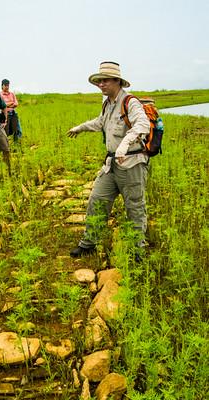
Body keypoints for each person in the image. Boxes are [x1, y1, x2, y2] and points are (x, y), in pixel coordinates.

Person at [67, 61, 150, 260]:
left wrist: (124, 144)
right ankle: (88, 243)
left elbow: (143, 125)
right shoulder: (108, 103)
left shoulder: (130, 102)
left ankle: (138, 249)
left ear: (117, 81)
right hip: (111, 164)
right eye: (99, 81)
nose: (101, 84)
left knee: (135, 206)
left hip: (131, 165)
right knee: (97, 200)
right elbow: (100, 122)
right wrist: (80, 128)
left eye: (105, 81)